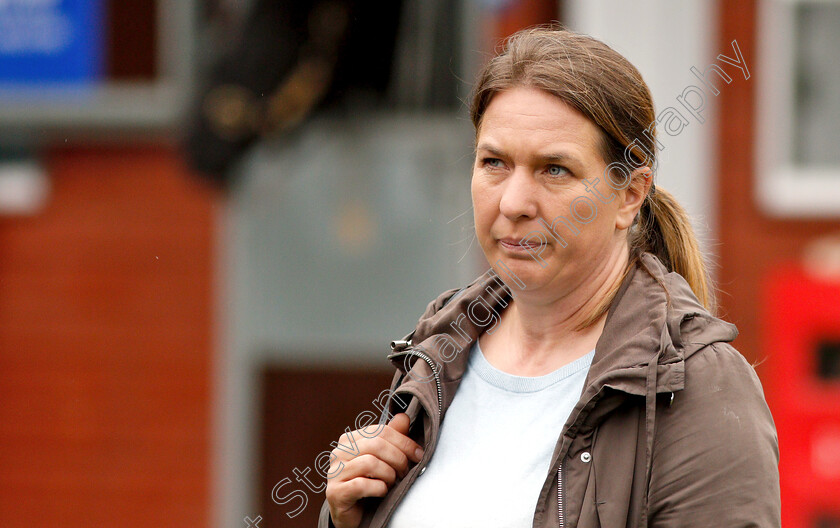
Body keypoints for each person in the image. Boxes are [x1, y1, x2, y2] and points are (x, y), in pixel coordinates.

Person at [319, 27, 780, 528]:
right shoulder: (439, 349)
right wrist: (345, 519)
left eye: (554, 169)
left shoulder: (697, 385)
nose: (514, 203)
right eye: (494, 162)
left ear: (630, 194)